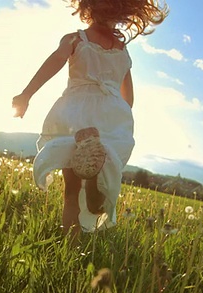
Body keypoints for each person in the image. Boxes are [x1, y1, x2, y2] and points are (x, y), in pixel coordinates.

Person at [12, 0, 168, 238]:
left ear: (87, 7)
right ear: (123, 12)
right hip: (109, 115)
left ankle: (70, 244)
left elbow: (54, 62)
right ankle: (95, 185)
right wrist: (116, 118)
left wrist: (26, 94)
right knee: (97, 160)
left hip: (77, 112)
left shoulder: (76, 39)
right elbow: (129, 99)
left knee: (71, 191)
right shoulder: (122, 52)